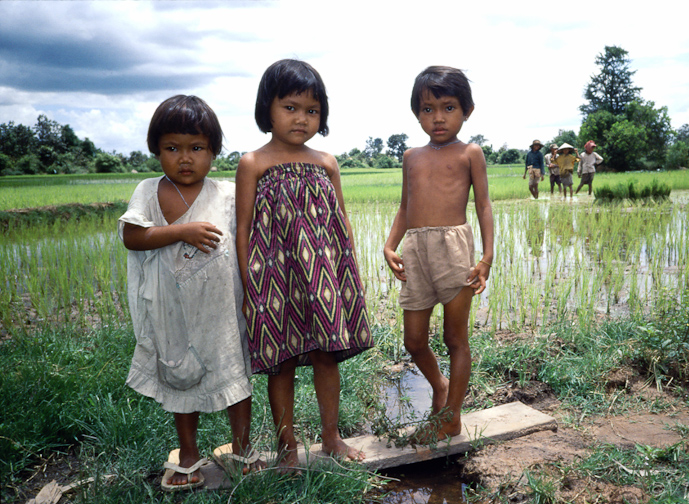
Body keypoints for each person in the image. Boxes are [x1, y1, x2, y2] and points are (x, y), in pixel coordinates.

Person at [119, 96, 263, 491]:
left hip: (222, 309)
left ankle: (242, 446)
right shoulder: (149, 191)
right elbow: (132, 236)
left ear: (214, 151)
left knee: (235, 373)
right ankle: (187, 453)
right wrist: (182, 230)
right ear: (156, 150)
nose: (185, 158)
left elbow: (248, 240)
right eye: (173, 148)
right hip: (171, 311)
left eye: (197, 148)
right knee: (179, 378)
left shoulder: (228, 193)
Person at [235, 59, 373, 469]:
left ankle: (332, 437)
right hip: (275, 280)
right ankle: (286, 447)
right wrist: (249, 286)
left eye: (312, 111)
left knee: (326, 356)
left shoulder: (327, 163)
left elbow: (341, 223)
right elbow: (243, 228)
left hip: (325, 278)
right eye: (290, 107)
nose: (301, 118)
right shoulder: (253, 164)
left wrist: (349, 275)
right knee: (282, 363)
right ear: (268, 109)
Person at [383, 66, 494, 445]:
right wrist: (389, 245)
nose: (438, 118)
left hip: (454, 249)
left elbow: (483, 206)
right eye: (428, 109)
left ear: (468, 111)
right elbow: (404, 206)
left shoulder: (470, 153)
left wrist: (487, 257)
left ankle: (451, 417)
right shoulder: (411, 156)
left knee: (455, 338)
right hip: (415, 249)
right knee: (413, 340)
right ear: (417, 113)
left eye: (448, 108)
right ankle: (440, 384)